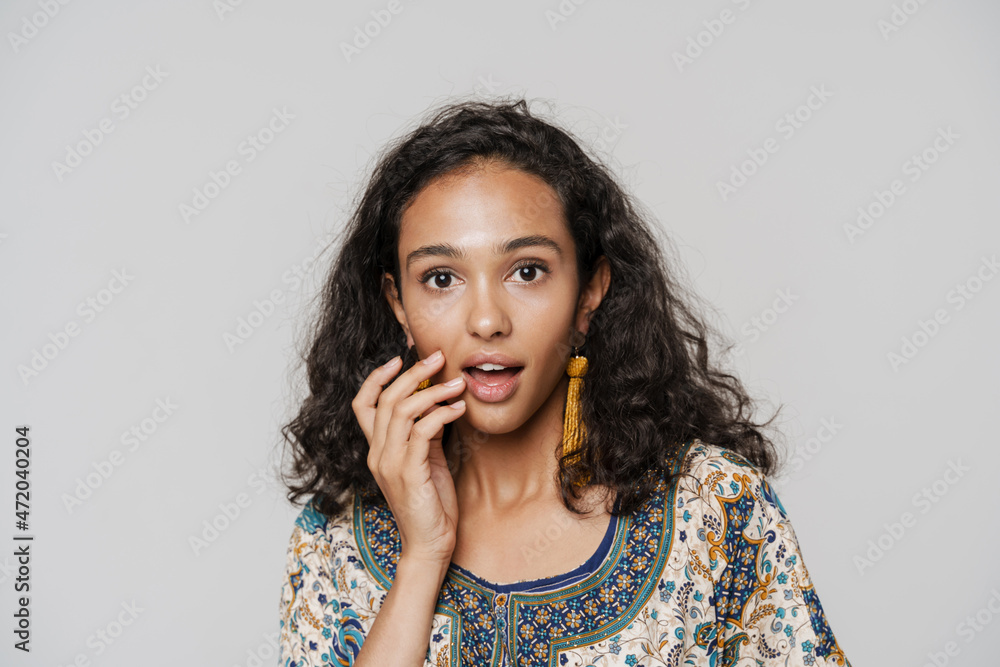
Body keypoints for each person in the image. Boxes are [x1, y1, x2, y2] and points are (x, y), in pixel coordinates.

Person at [276, 97, 852, 666]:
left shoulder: (714, 508)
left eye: (527, 271)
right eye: (442, 278)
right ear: (398, 304)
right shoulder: (335, 538)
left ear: (589, 292)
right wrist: (423, 557)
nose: (486, 321)